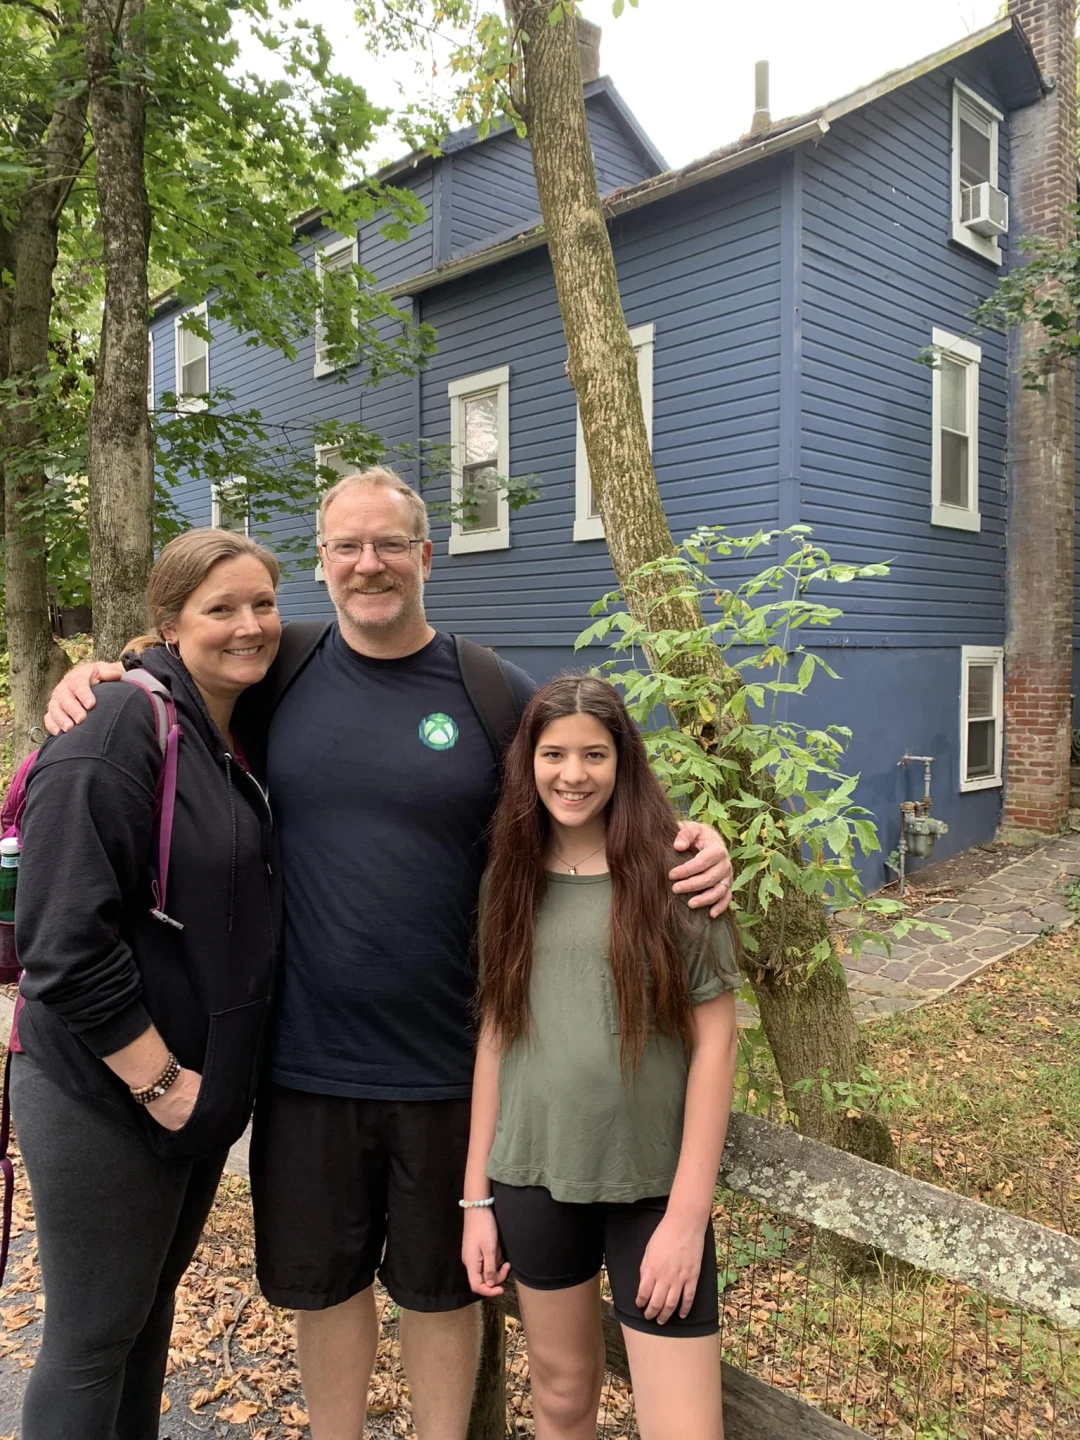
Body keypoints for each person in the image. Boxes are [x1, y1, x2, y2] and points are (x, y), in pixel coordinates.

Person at [43, 467, 733, 1440]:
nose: (369, 564)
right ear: (322, 564)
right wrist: (98, 672)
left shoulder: (491, 692)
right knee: (325, 1291)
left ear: (425, 556)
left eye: (390, 544)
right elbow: (186, 660)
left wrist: (693, 838)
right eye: (346, 547)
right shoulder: (283, 668)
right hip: (305, 1065)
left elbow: (599, 778)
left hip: (450, 1066)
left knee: (443, 1293)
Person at [12, 529, 283, 1439]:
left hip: (193, 1094)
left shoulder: (225, 725)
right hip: (106, 1087)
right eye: (221, 609)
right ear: (167, 625)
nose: (249, 626)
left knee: (143, 1318)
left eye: (264, 605)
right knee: (91, 1342)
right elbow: (60, 945)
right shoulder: (117, 726)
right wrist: (163, 1085)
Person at [463, 674, 740, 1440]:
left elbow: (717, 1041)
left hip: (652, 1189)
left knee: (684, 1426)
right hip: (531, 1177)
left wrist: (688, 1217)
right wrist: (475, 1200)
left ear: (624, 763)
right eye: (554, 754)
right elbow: (495, 1034)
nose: (572, 774)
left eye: (594, 754)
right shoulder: (508, 881)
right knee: (560, 1399)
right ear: (530, 761)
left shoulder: (677, 874)